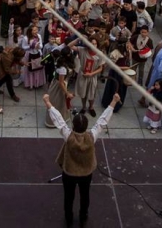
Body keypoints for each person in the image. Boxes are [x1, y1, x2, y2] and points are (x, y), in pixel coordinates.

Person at [43, 92, 121, 228]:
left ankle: (68, 219)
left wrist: (48, 103)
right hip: (86, 174)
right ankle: (83, 217)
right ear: (86, 127)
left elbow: (59, 121)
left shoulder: (68, 136)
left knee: (69, 197)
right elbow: (102, 121)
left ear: (73, 126)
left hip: (69, 174)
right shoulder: (92, 136)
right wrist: (113, 102)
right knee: (85, 196)